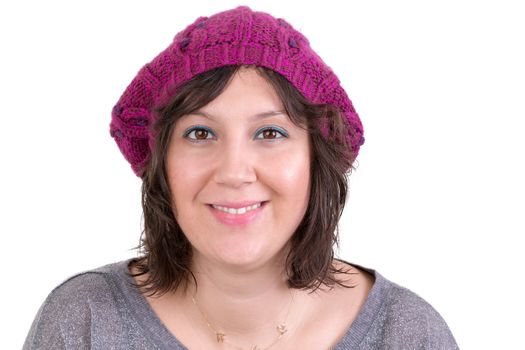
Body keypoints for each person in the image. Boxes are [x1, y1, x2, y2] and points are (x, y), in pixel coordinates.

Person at [23, 6, 458, 350]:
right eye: (200, 133)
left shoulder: (406, 333)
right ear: (162, 164)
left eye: (270, 132)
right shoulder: (85, 322)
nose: (233, 171)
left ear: (314, 160)